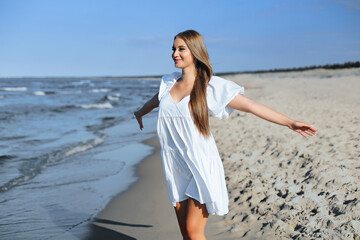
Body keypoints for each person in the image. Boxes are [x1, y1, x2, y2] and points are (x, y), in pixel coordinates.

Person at [134, 29, 317, 240]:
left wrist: (290, 122)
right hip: (175, 164)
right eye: (173, 49)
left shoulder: (209, 87)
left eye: (181, 49)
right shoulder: (168, 84)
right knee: (185, 233)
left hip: (200, 162)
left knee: (194, 231)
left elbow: (250, 105)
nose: (175, 53)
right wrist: (140, 112)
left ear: (195, 51)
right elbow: (156, 100)